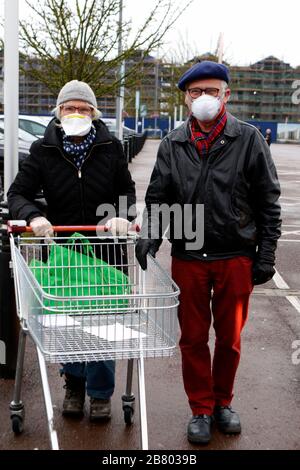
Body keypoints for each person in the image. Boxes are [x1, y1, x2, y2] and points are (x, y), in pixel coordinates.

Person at [135, 61, 281, 444]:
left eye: (211, 91)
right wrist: (150, 237)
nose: (203, 99)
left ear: (226, 95)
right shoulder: (173, 143)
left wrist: (265, 253)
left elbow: (268, 200)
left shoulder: (249, 139)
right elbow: (158, 198)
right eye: (195, 92)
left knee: (230, 338)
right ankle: (200, 407)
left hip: (235, 257)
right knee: (194, 339)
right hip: (189, 257)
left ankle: (223, 402)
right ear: (185, 98)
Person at [7, 80, 136, 421]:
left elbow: (127, 190)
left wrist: (123, 215)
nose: (76, 113)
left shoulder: (111, 148)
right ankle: (75, 385)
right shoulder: (43, 151)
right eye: (69, 108)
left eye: (83, 108)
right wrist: (34, 216)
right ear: (58, 112)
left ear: (94, 114)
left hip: (105, 253)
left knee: (103, 323)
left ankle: (100, 392)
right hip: (63, 253)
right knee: (67, 323)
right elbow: (17, 194)